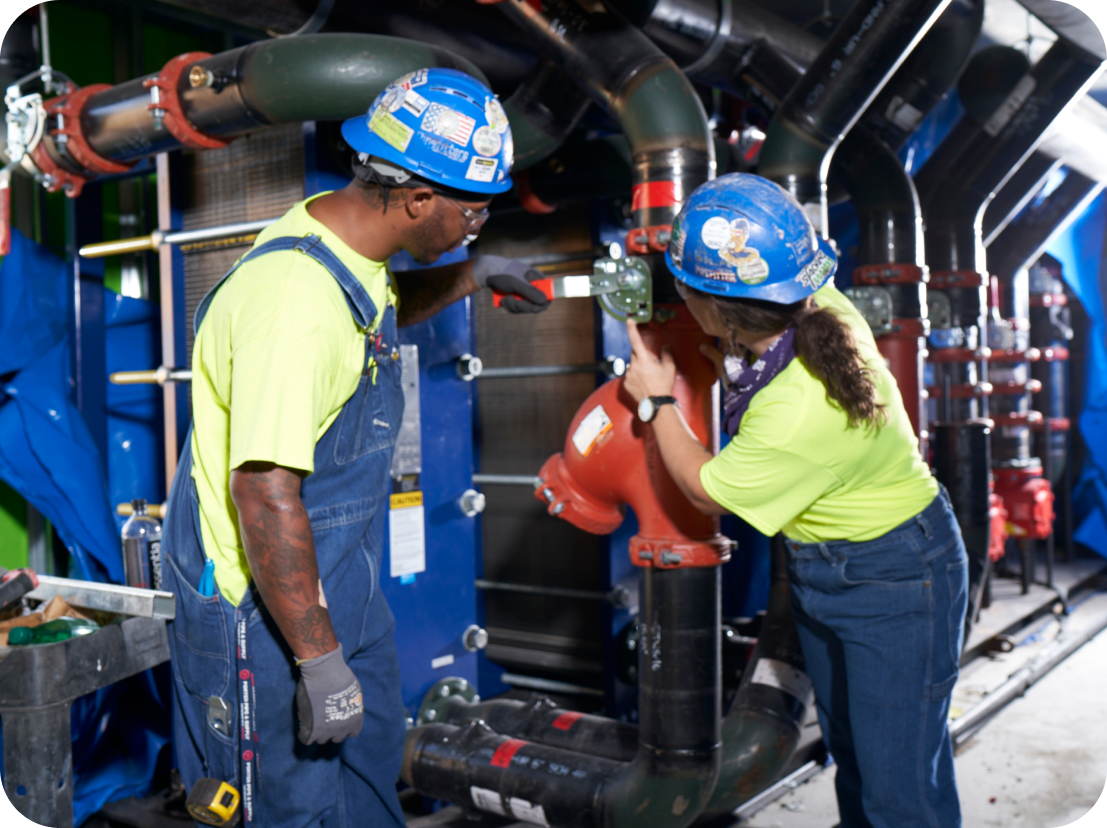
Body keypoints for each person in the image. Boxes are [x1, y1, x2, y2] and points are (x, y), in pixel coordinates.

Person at [162, 68, 550, 828]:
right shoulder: (292, 305)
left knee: (369, 795)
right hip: (264, 622)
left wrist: (472, 273)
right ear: (417, 200)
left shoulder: (348, 253)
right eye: (474, 214)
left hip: (340, 588)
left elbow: (378, 308)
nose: (479, 224)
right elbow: (265, 493)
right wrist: (317, 659)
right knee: (290, 811)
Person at [623, 173, 967, 828]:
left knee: (898, 793)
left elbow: (704, 490)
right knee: (855, 757)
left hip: (895, 578)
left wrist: (657, 398)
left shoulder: (793, 411)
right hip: (837, 568)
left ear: (716, 310)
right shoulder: (818, 304)